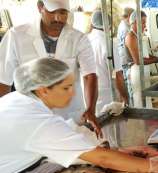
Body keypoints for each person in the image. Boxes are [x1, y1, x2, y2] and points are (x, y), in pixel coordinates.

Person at [0, 58, 158, 173]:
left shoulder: (18, 99)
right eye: (66, 87)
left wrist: (113, 150)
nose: (73, 93)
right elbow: (102, 159)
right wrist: (154, 166)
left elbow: (66, 132)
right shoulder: (37, 121)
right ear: (43, 90)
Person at [0, 0, 101, 136]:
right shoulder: (16, 36)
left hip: (69, 115)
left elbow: (90, 75)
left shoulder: (79, 38)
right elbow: (3, 79)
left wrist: (90, 109)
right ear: (40, 7)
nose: (58, 18)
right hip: (31, 116)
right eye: (52, 12)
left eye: (63, 13)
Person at [88, 10, 129, 147]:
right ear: (109, 25)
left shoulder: (86, 40)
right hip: (106, 93)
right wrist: (125, 97)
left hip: (88, 95)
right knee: (111, 134)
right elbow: (118, 75)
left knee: (96, 132)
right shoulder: (109, 43)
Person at [124, 10, 158, 108]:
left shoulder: (139, 36)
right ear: (134, 22)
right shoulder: (131, 37)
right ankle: (141, 121)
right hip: (136, 72)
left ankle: (147, 119)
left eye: (145, 22)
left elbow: (145, 55)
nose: (145, 25)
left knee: (146, 98)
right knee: (139, 99)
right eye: (142, 22)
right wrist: (157, 60)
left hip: (143, 72)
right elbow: (138, 60)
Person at [116, 7, 134, 89]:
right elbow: (128, 46)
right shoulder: (125, 28)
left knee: (128, 81)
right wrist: (133, 59)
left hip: (124, 58)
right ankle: (129, 100)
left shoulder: (123, 24)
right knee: (129, 82)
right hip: (126, 60)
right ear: (129, 16)